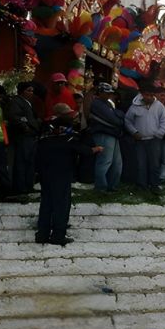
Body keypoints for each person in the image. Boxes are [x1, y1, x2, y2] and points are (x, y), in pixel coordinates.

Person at [34, 104, 102, 246]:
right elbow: (82, 149)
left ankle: (42, 234)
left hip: (45, 172)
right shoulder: (67, 135)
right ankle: (58, 236)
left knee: (46, 203)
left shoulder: (44, 133)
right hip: (62, 173)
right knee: (61, 205)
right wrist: (95, 149)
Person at [125, 85, 165, 193]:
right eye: (146, 95)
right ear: (142, 94)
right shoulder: (134, 106)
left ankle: (154, 185)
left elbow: (164, 121)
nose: (149, 97)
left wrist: (159, 134)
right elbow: (128, 120)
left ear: (154, 95)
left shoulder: (159, 106)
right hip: (140, 140)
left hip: (154, 139)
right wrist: (134, 132)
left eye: (151, 95)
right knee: (141, 163)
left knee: (155, 164)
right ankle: (141, 185)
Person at [4, 82, 42, 196]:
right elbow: (14, 117)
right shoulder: (16, 102)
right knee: (22, 162)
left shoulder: (26, 102)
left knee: (29, 162)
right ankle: (21, 187)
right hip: (23, 136)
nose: (31, 93)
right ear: (21, 91)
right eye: (28, 90)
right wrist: (25, 127)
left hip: (30, 135)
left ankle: (28, 185)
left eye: (32, 91)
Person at [88, 82, 125, 192]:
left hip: (112, 134)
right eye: (107, 93)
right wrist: (118, 117)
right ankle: (101, 187)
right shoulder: (97, 103)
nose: (109, 95)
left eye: (110, 93)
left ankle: (112, 186)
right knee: (105, 161)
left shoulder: (108, 104)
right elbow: (115, 120)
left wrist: (118, 116)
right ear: (100, 92)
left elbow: (119, 117)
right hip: (103, 134)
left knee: (117, 162)